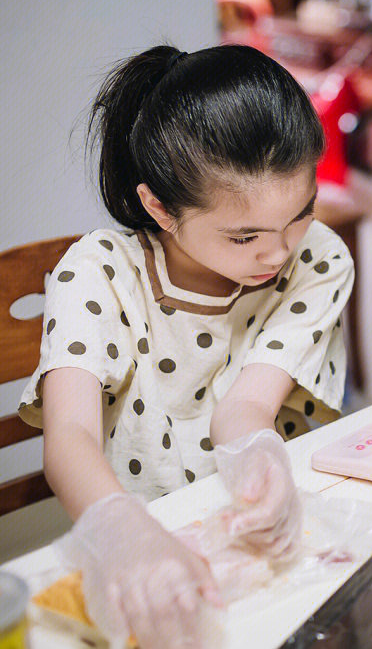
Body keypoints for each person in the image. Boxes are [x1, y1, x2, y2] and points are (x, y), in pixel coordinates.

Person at [18, 44, 354, 649]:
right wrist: (121, 529)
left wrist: (259, 458)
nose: (277, 254)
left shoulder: (318, 258)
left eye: (300, 214)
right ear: (160, 208)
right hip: (141, 562)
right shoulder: (99, 275)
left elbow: (244, 408)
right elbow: (68, 437)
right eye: (244, 235)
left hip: (256, 554)